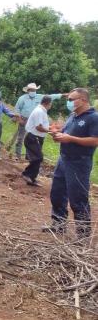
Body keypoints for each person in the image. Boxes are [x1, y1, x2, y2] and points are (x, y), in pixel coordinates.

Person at [45, 88, 98, 238]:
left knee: (78, 199)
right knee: (57, 194)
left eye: (71, 99)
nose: (68, 102)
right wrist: (57, 134)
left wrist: (70, 139)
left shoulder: (93, 118)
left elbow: (95, 140)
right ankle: (58, 225)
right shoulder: (73, 115)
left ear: (83, 100)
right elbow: (67, 133)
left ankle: (83, 235)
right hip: (64, 159)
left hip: (79, 163)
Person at [14, 83, 66, 160]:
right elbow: (17, 109)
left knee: (33, 138)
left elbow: (51, 97)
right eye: (31, 90)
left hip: (36, 119)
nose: (33, 91)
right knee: (20, 138)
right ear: (28, 91)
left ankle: (29, 156)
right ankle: (17, 155)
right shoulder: (22, 98)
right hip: (24, 119)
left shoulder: (40, 97)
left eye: (34, 90)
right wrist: (19, 119)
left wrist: (62, 95)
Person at [22, 95, 53, 186]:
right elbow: (38, 127)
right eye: (51, 104)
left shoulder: (42, 111)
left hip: (36, 137)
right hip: (33, 137)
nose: (51, 105)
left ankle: (31, 178)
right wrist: (50, 131)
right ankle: (27, 174)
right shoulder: (39, 111)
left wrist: (50, 128)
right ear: (48, 103)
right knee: (38, 157)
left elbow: (42, 125)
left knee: (36, 158)